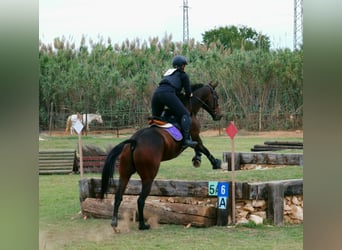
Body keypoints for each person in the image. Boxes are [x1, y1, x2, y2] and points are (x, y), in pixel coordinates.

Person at [151, 55, 198, 148]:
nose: (184, 68)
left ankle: (151, 137)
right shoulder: (183, 75)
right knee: (185, 115)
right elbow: (188, 92)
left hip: (156, 94)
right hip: (167, 94)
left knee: (156, 120)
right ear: (181, 66)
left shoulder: (168, 75)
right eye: (184, 65)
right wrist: (190, 94)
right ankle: (186, 140)